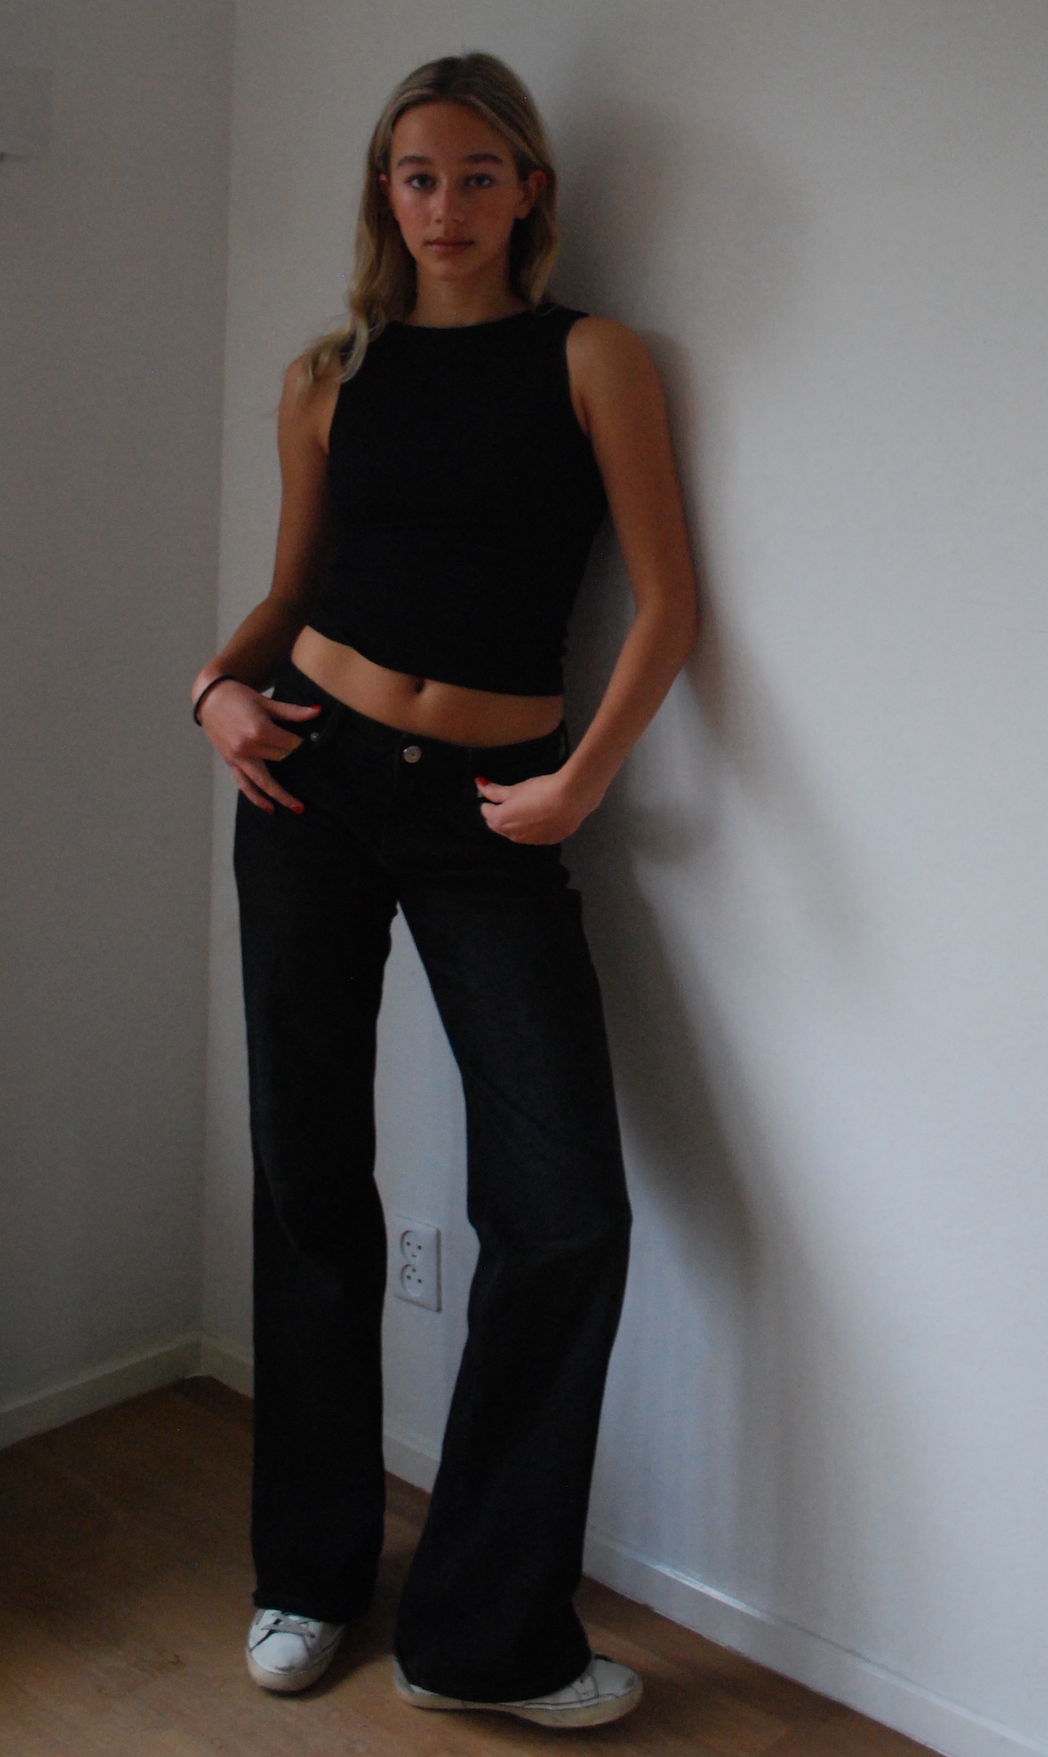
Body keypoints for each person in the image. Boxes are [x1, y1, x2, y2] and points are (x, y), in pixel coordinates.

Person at [191, 51, 697, 1731]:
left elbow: (668, 606)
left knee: (565, 1210)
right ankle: (310, 1570)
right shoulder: (328, 376)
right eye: (418, 175)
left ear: (531, 189)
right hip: (311, 780)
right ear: (384, 194)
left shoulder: (592, 358)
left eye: (480, 173)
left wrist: (580, 781)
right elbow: (290, 596)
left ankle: (482, 1631)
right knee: (309, 1178)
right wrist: (211, 691)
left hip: (497, 811)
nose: (447, 204)